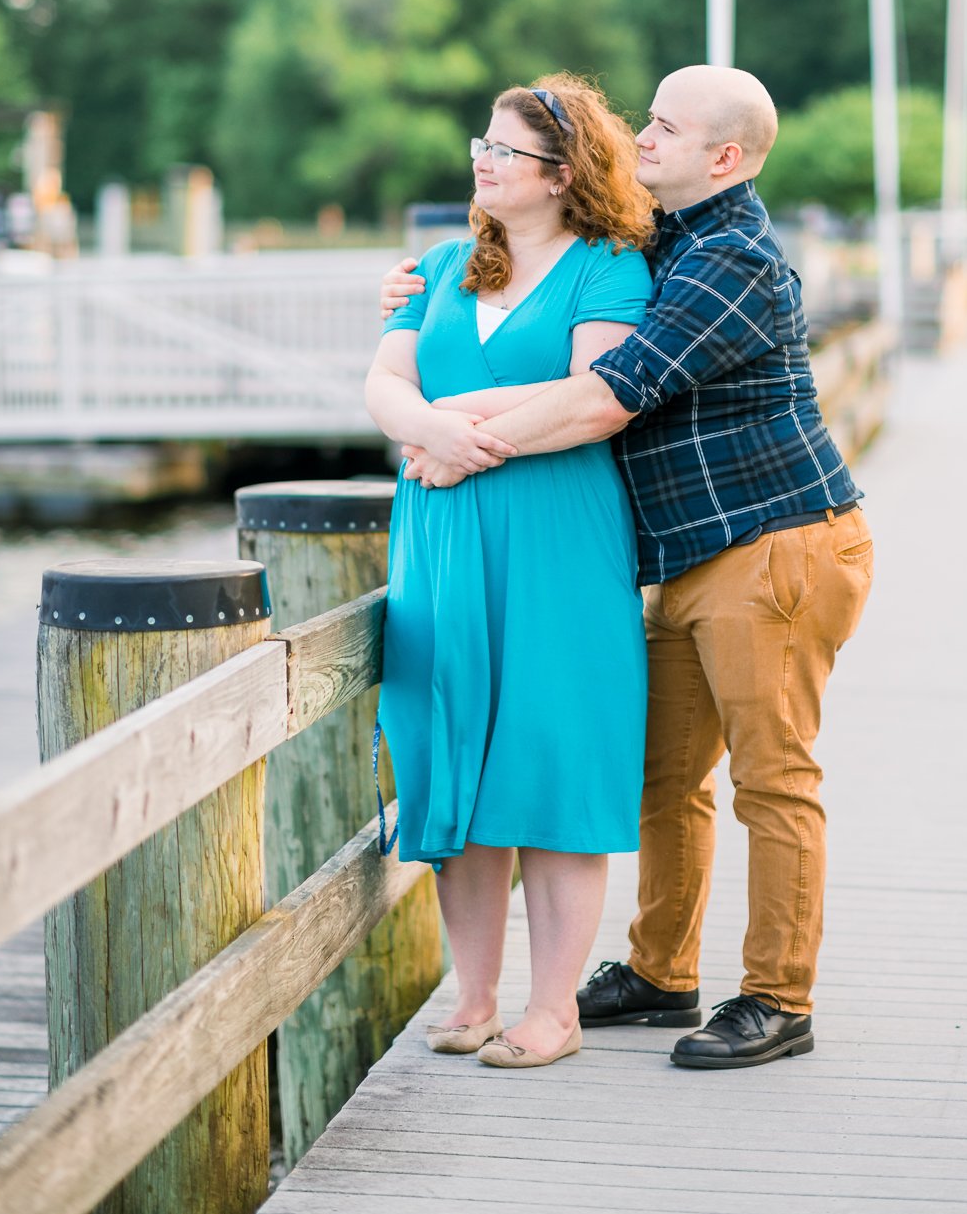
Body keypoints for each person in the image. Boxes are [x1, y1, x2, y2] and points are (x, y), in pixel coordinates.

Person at [386, 65, 874, 1072]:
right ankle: (660, 972)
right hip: (689, 555)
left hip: (771, 540)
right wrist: (408, 284)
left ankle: (778, 998)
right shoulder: (665, 238)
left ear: (723, 157)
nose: (640, 139)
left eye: (663, 127)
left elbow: (608, 394)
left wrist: (455, 437)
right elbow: (538, 248)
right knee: (664, 777)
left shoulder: (730, 259)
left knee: (770, 780)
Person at [364, 73, 655, 1070]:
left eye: (505, 151)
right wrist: (425, 428)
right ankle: (474, 996)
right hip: (441, 542)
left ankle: (554, 1009)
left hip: (554, 541)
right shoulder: (443, 265)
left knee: (550, 761)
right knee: (461, 762)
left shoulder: (608, 267)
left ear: (562, 175)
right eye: (480, 143)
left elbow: (593, 393)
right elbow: (384, 378)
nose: (481, 161)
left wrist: (456, 437)